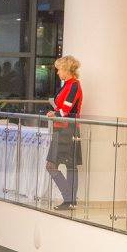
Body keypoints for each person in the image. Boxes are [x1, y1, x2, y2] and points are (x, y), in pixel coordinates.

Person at [45, 55, 84, 210]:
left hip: (68, 129)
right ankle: (70, 199)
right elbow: (62, 109)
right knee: (58, 165)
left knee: (68, 165)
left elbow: (66, 110)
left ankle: (70, 200)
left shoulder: (74, 85)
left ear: (67, 70)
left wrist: (55, 113)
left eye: (59, 69)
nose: (57, 72)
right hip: (62, 128)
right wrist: (55, 112)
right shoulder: (68, 84)